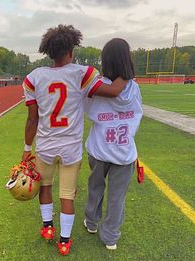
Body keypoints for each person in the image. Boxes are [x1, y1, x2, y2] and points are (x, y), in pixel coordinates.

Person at [21, 25, 128, 255]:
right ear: (71, 50)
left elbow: (32, 121)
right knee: (67, 195)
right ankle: (65, 241)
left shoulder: (34, 78)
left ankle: (48, 228)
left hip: (46, 146)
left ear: (49, 52)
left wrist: (26, 149)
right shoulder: (81, 73)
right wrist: (126, 69)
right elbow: (114, 91)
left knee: (46, 187)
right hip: (70, 148)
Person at [84, 38, 143, 250]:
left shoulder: (99, 86)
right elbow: (137, 113)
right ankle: (110, 237)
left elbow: (88, 108)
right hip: (124, 150)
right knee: (117, 198)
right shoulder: (134, 88)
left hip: (100, 149)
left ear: (106, 60)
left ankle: (91, 222)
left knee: (95, 188)